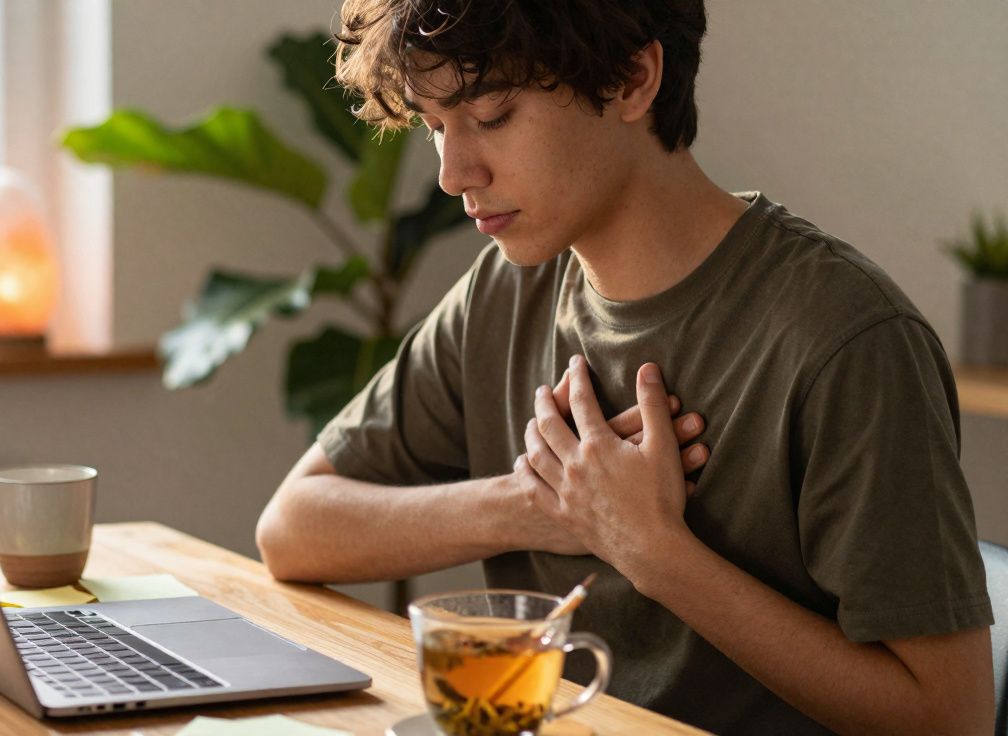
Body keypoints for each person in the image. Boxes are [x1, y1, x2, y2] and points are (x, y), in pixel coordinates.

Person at [254, 0, 994, 732]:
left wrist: (655, 552)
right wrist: (536, 505)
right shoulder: (504, 292)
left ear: (634, 79)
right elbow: (292, 528)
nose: (452, 175)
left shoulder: (846, 339)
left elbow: (950, 719)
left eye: (492, 117)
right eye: (435, 126)